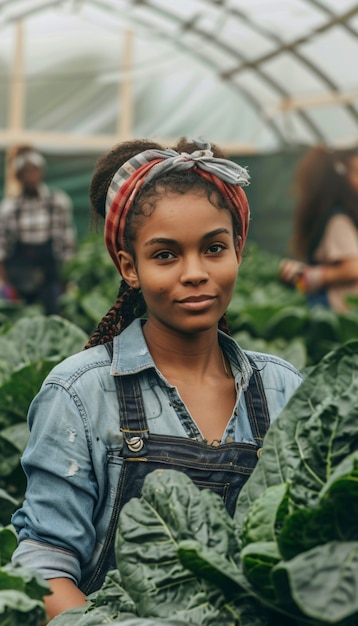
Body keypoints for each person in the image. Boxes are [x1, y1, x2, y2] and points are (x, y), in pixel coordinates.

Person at [11, 138, 303, 620]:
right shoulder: (78, 393)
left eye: (214, 248)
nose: (194, 273)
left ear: (238, 250)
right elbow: (45, 560)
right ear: (130, 267)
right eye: (165, 255)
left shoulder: (282, 388)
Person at [279, 146, 358, 311]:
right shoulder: (338, 220)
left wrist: (309, 276)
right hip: (342, 311)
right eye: (356, 172)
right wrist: (312, 276)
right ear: (338, 179)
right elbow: (353, 269)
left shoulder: (332, 216)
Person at [0, 145, 77, 314]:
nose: (30, 176)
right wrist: (5, 282)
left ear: (41, 172)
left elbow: (67, 242)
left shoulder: (57, 201)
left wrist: (67, 279)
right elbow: (2, 248)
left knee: (54, 316)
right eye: (25, 172)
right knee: (20, 319)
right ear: (18, 176)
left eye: (34, 171)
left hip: (50, 273)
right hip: (20, 274)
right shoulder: (10, 207)